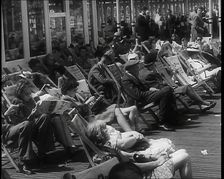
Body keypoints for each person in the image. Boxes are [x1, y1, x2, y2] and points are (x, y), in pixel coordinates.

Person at [87, 120, 193, 179]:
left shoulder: (109, 147)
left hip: (141, 170)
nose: (109, 128)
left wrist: (152, 157)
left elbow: (130, 156)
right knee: (185, 157)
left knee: (182, 151)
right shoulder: (106, 156)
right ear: (100, 134)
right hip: (144, 174)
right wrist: (157, 162)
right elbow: (133, 168)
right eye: (105, 127)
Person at [142, 50, 216, 111]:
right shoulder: (149, 74)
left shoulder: (154, 70)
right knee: (187, 87)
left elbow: (163, 80)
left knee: (187, 87)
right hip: (164, 92)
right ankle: (203, 103)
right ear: (153, 63)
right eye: (156, 60)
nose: (158, 61)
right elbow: (156, 87)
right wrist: (169, 86)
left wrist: (171, 74)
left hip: (168, 88)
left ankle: (202, 104)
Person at [60, 78, 142, 132]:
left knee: (115, 108)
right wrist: (88, 102)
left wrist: (93, 101)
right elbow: (78, 111)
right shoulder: (66, 99)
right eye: (74, 90)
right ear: (68, 90)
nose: (76, 91)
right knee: (116, 109)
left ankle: (131, 131)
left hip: (91, 116)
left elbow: (82, 108)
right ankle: (131, 131)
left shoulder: (72, 97)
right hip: (89, 120)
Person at [121, 60, 177, 131]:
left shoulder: (132, 75)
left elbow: (143, 86)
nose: (138, 68)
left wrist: (150, 88)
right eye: (136, 67)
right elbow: (136, 95)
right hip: (138, 102)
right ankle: (162, 121)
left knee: (167, 91)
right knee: (167, 90)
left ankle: (172, 118)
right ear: (131, 69)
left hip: (144, 97)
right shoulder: (126, 80)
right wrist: (150, 92)